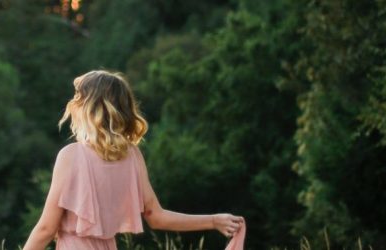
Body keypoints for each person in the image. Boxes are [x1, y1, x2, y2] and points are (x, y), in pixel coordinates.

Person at [22, 70, 245, 250]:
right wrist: (214, 220)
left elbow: (46, 229)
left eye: (78, 97)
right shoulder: (131, 156)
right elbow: (157, 217)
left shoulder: (70, 155)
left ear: (89, 107)